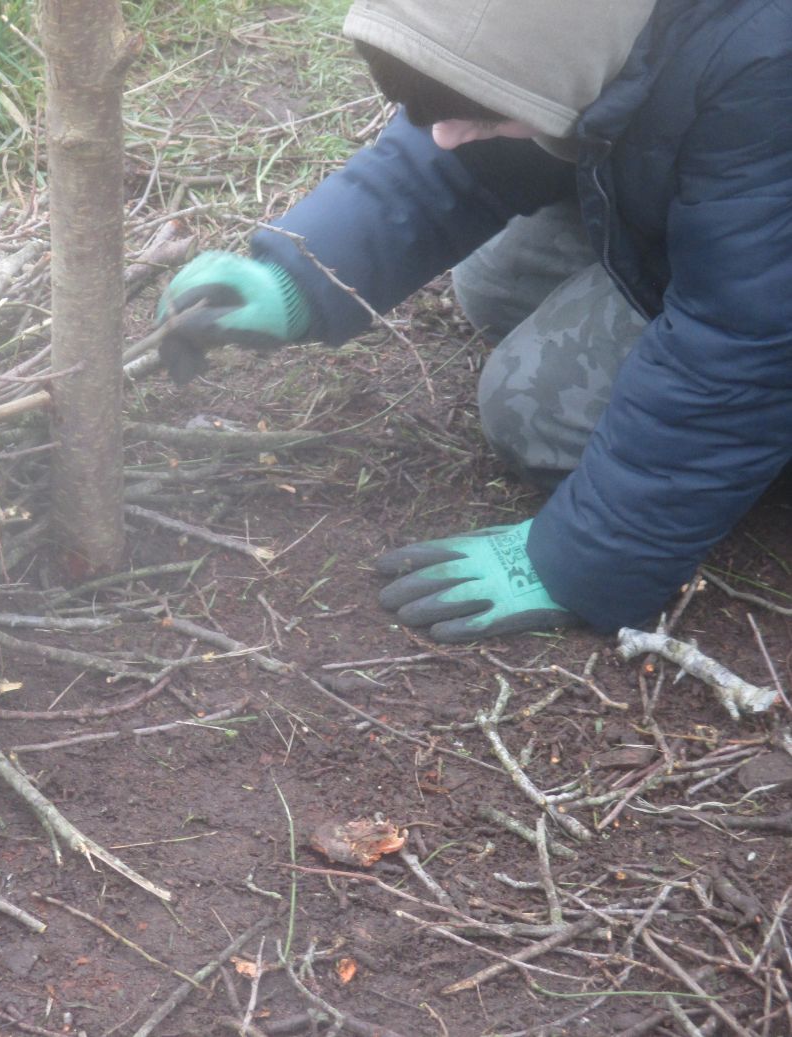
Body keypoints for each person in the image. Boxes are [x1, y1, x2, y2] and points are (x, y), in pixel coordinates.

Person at [153, 0, 792, 644]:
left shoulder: (769, 71)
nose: (444, 134)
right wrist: (297, 282)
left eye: (473, 113)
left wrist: (583, 561)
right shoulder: (589, 27)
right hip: (743, 223)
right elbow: (454, 144)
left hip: (772, 291)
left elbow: (751, 343)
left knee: (535, 411)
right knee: (497, 280)